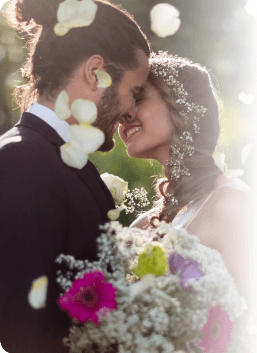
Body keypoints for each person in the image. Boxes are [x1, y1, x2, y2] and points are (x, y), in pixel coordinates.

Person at [0, 0, 150, 352]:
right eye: (135, 92)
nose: (131, 111)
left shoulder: (59, 158)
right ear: (95, 71)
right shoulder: (22, 159)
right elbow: (24, 328)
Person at [119, 51, 257, 323]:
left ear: (180, 104)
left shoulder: (232, 205)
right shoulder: (141, 228)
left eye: (137, 98)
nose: (123, 114)